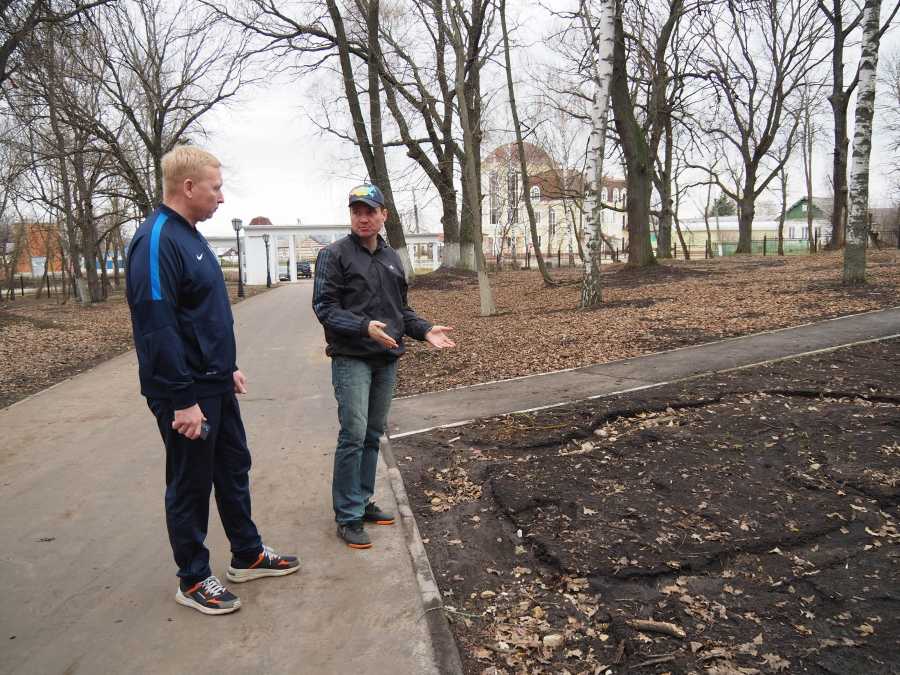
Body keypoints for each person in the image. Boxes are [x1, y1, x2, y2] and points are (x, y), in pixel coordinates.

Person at [126, 146, 299, 615]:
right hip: (186, 393)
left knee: (232, 467)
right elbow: (157, 325)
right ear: (188, 187)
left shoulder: (193, 236)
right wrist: (183, 399)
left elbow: (199, 315)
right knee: (191, 481)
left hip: (213, 383)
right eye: (215, 187)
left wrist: (226, 368)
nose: (221, 197)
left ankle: (248, 554)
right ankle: (193, 578)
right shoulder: (158, 239)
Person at [313, 184, 456, 549]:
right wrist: (363, 327)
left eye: (370, 211)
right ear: (351, 215)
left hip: (386, 360)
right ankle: (347, 516)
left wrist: (424, 330)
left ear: (383, 216)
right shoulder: (334, 255)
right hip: (352, 357)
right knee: (353, 434)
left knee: (373, 433)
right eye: (356, 211)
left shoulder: (392, 258)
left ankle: (362, 501)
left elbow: (400, 311)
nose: (363, 217)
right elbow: (324, 308)